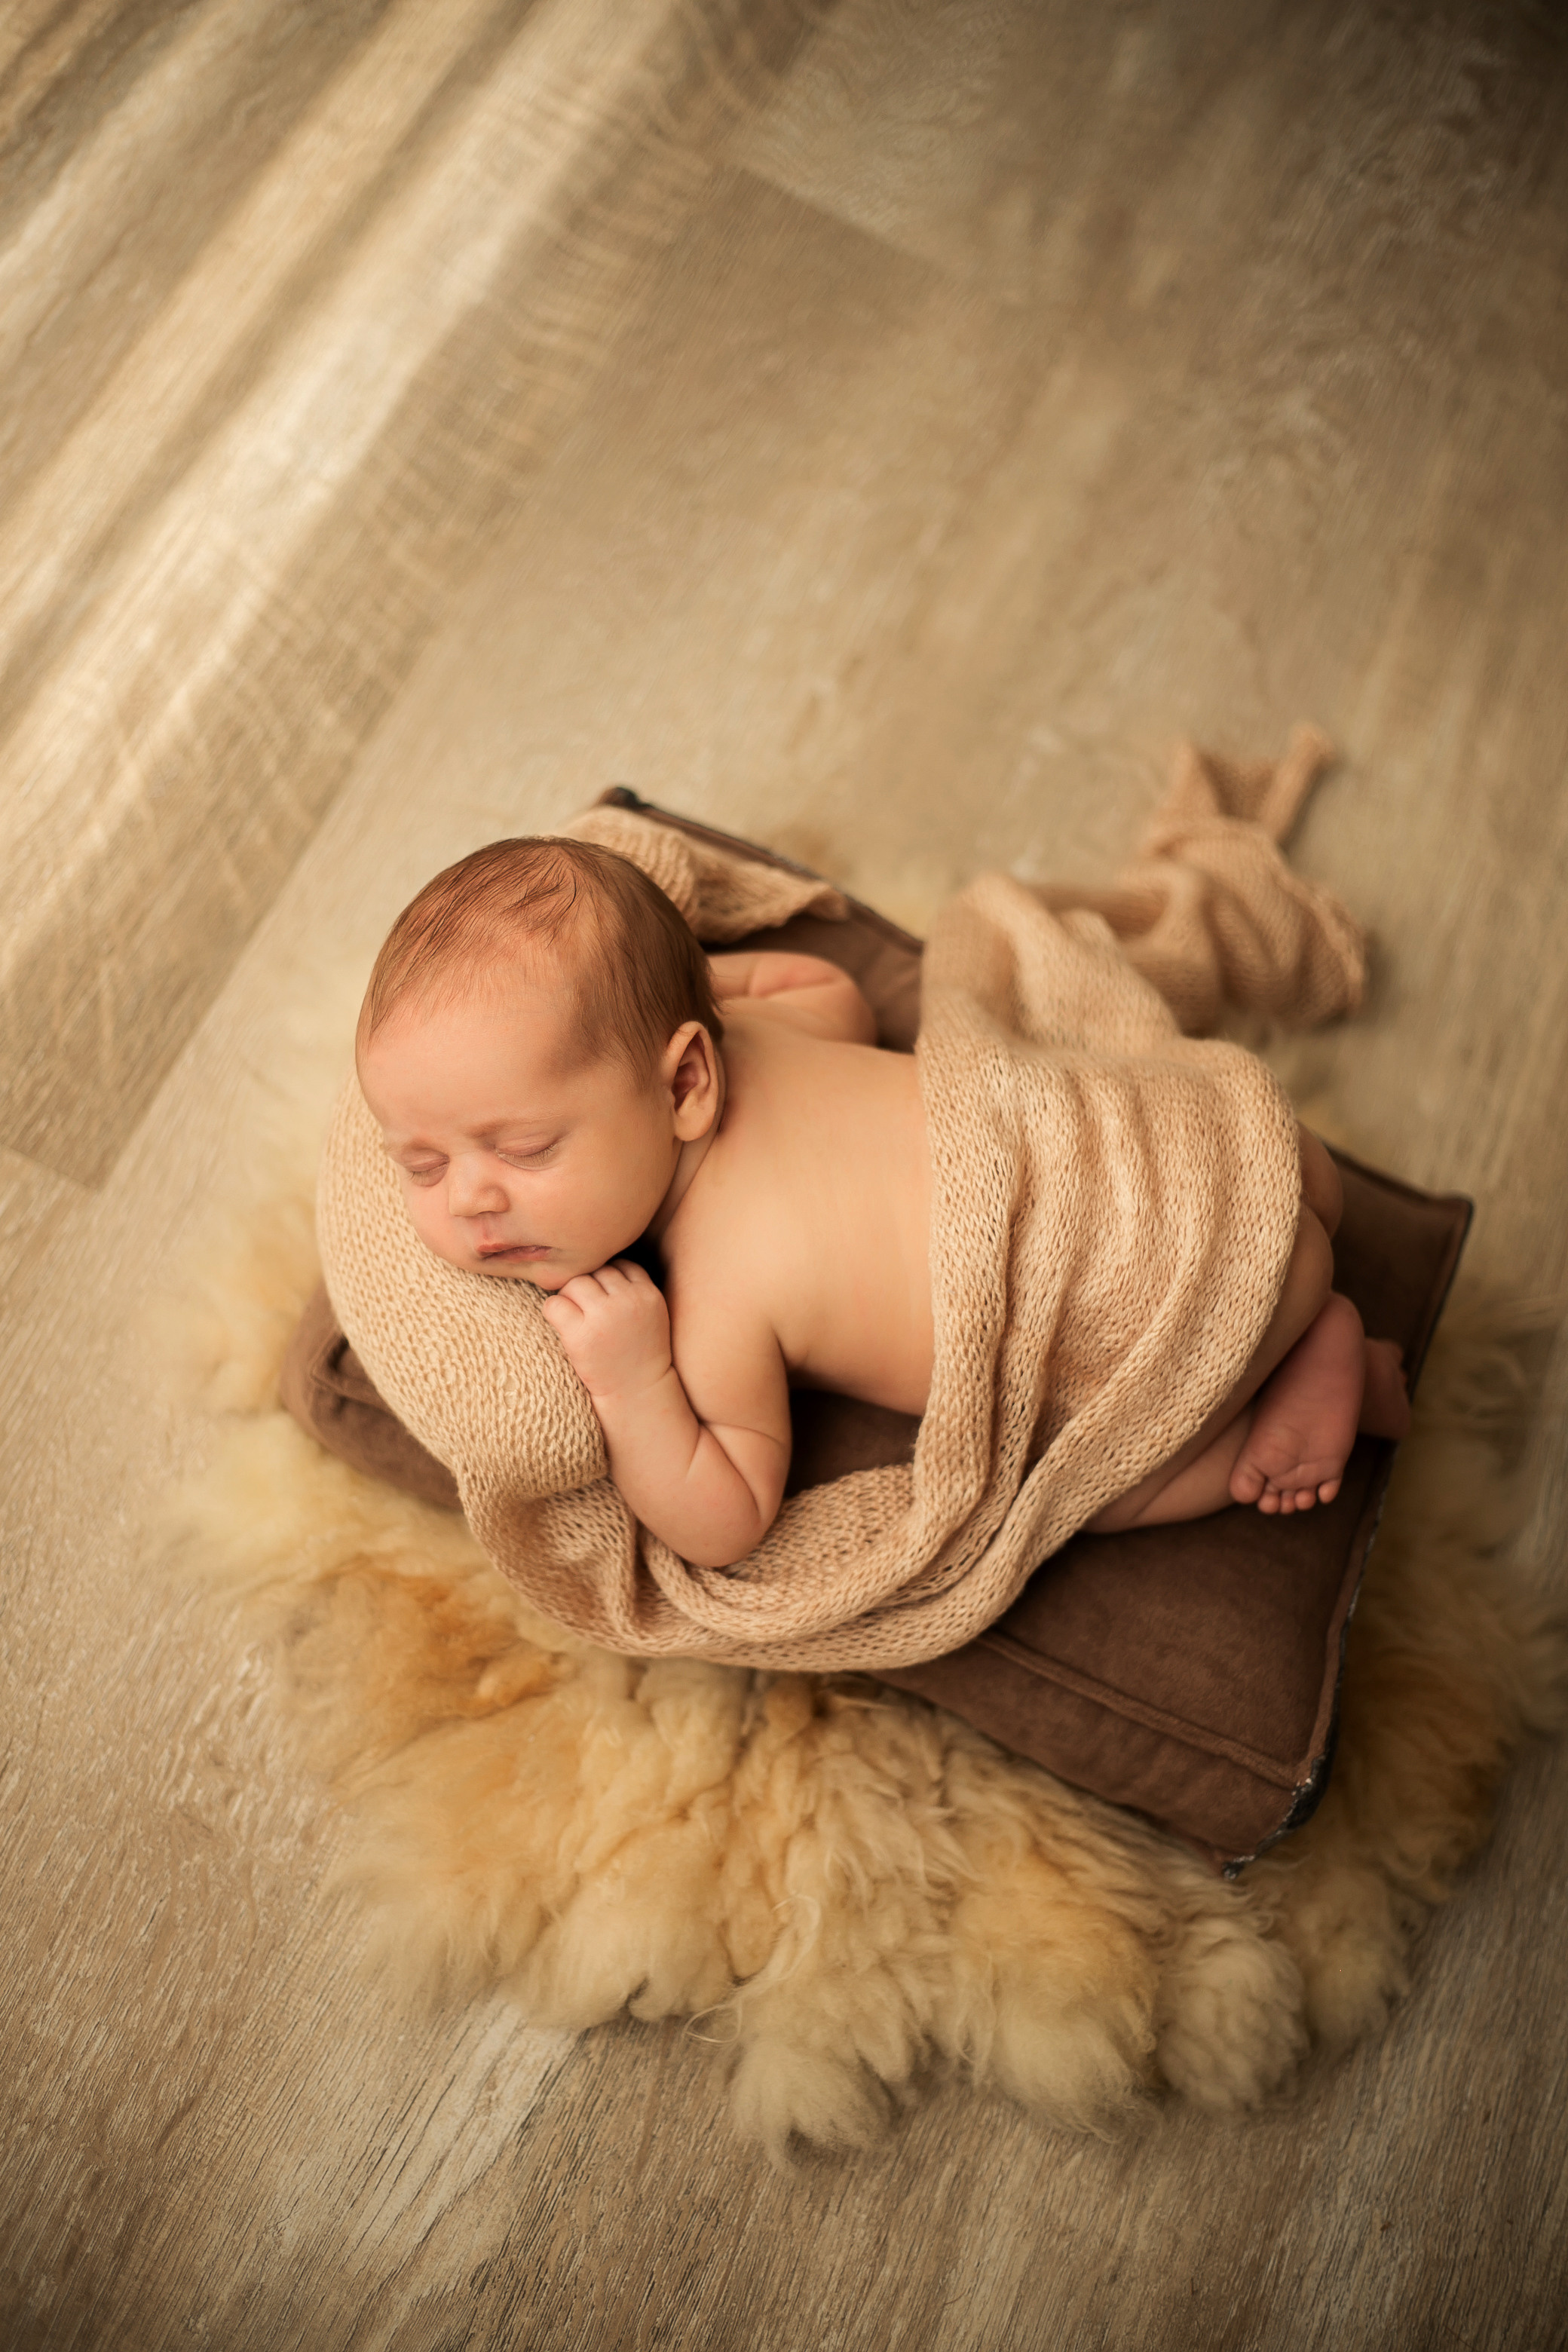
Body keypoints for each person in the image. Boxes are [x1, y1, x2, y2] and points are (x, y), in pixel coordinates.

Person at [355, 836, 1409, 1573]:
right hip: (1219, 1149)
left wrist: (635, 1387)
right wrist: (674, 991)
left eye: (523, 1146)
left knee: (1082, 1488)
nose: (474, 1201)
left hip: (1153, 1309)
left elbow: (724, 1520)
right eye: (421, 1166)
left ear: (685, 1085)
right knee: (1134, 1096)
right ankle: (1307, 1302)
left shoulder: (721, 1286)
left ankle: (1300, 1397)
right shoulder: (775, 1030)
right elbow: (838, 995)